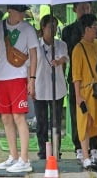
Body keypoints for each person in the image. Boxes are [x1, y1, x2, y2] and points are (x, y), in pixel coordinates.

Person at [0, 5, 38, 173]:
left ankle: (25, 159)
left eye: (23, 11)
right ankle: (13, 156)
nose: (22, 14)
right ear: (10, 11)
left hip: (18, 77)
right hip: (0, 77)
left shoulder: (28, 29)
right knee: (6, 118)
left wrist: (32, 79)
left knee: (19, 117)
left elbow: (34, 54)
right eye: (20, 11)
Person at [61, 2, 97, 160]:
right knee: (78, 111)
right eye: (82, 8)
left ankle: (95, 146)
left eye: (88, 7)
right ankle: (79, 146)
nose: (85, 10)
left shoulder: (96, 30)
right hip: (77, 75)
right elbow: (67, 53)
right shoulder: (68, 30)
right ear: (74, 9)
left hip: (95, 78)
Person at [71, 14, 97, 168]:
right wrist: (78, 95)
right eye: (94, 27)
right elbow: (76, 75)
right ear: (86, 29)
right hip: (86, 91)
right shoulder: (78, 48)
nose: (96, 29)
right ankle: (85, 156)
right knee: (84, 124)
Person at [34, 15, 69, 159]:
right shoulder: (35, 45)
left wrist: (59, 61)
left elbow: (64, 57)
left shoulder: (61, 44)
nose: (53, 30)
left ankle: (56, 151)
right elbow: (29, 66)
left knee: (56, 122)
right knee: (41, 123)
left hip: (57, 88)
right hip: (40, 87)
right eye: (50, 26)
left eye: (55, 26)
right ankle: (43, 151)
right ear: (43, 27)